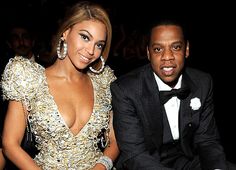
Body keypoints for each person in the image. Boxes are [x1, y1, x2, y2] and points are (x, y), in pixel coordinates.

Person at [1, 1, 119, 169]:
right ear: (65, 32)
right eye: (85, 37)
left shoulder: (103, 82)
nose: (91, 50)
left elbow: (115, 141)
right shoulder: (28, 78)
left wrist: (101, 166)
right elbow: (10, 144)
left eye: (99, 44)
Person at [111, 18, 235, 170]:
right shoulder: (125, 89)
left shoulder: (203, 82)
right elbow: (134, 155)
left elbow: (207, 140)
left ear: (186, 50)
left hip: (186, 160)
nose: (167, 56)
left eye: (176, 47)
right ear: (148, 53)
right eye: (158, 49)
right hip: (145, 163)